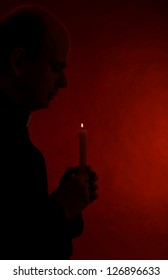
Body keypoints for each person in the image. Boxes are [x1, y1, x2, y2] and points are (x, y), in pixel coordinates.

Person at [0, 4, 99, 260]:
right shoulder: (17, 151)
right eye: (55, 67)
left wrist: (62, 203)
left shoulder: (19, 141)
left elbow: (21, 224)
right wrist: (60, 208)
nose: (64, 82)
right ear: (19, 62)